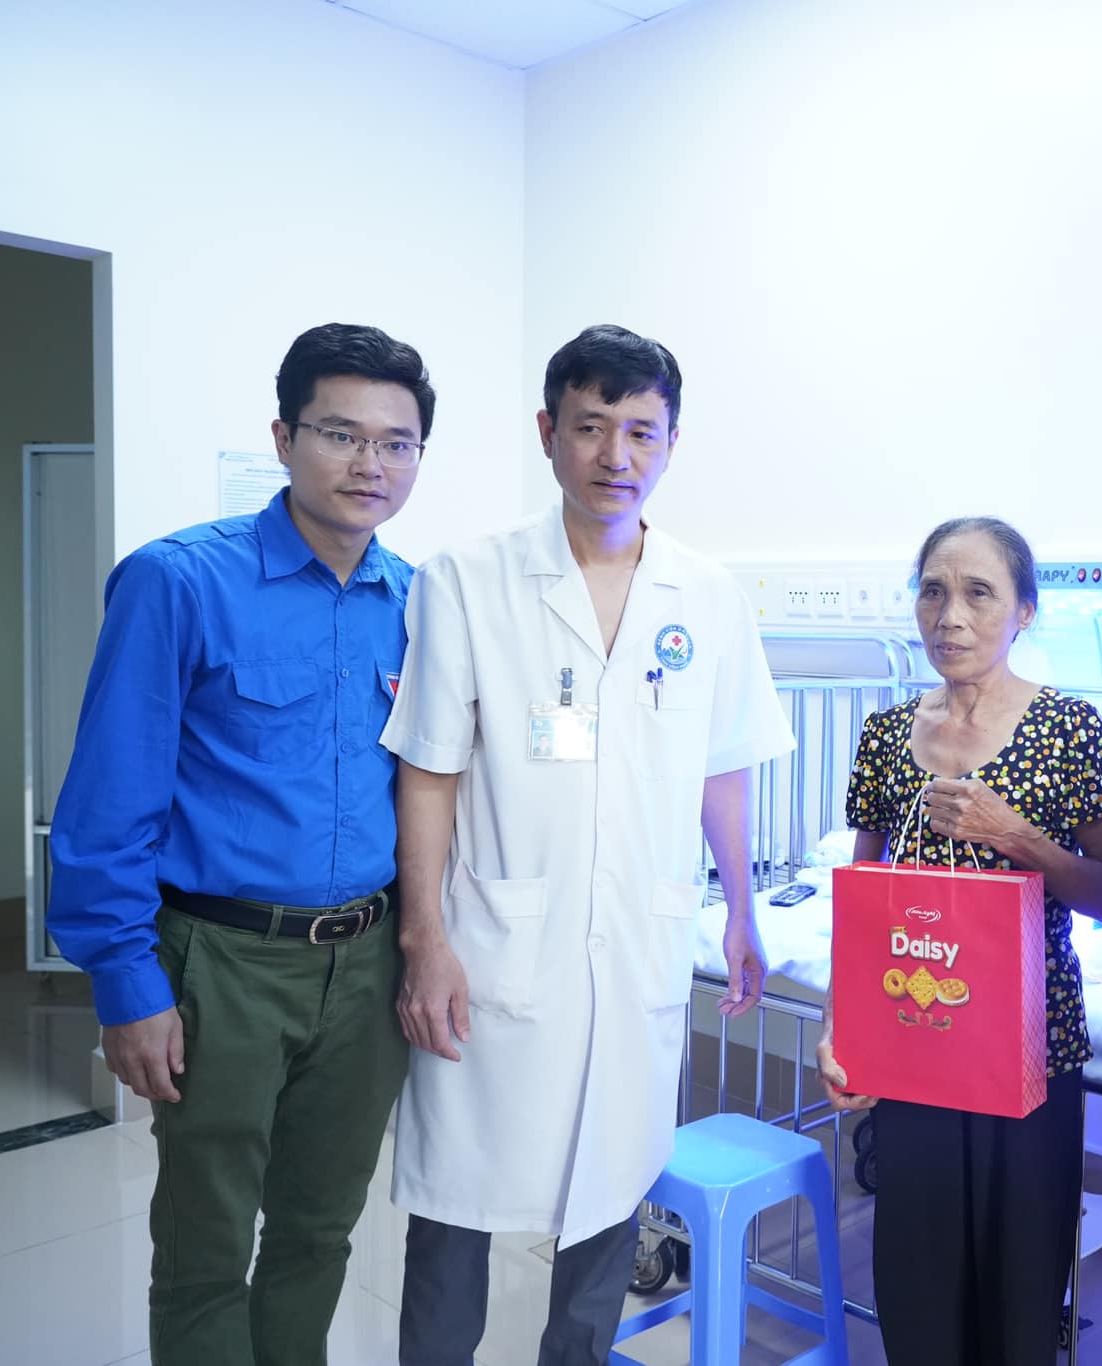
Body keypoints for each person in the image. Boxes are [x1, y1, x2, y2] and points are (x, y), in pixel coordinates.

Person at [382, 324, 792, 1366]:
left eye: (642, 431)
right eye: (591, 427)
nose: (617, 455)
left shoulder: (707, 595)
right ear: (548, 433)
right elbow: (429, 768)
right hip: (493, 941)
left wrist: (741, 911)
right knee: (455, 1209)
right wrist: (424, 939)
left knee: (609, 1198)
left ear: (672, 442)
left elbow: (723, 767)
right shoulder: (466, 580)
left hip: (639, 943)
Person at [47, 324, 434, 1366]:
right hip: (221, 962)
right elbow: (108, 801)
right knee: (206, 1245)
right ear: (283, 436)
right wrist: (125, 981)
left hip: (365, 966)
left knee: (320, 1229)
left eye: (396, 443)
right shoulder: (178, 582)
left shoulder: (416, 602)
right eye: (340, 434)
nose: (369, 464)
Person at [815, 516, 1102, 1365]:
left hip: (1030, 1052)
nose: (950, 616)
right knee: (917, 1291)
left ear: (1024, 611)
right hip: (914, 1042)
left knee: (1018, 1296)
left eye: (979, 593)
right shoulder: (887, 737)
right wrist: (841, 1024)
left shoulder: (1068, 730)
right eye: (933, 592)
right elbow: (867, 902)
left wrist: (1015, 836)